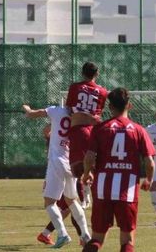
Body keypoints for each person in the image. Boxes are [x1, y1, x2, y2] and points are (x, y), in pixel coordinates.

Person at [81, 87, 156, 252]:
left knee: (97, 238)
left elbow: (89, 157)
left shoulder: (99, 129)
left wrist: (86, 174)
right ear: (129, 105)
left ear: (110, 107)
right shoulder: (138, 130)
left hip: (102, 189)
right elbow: (149, 161)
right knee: (127, 240)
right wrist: (149, 179)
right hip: (127, 191)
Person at [23, 104, 93, 248]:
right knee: (72, 201)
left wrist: (28, 110)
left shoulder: (57, 110)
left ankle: (62, 234)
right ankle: (85, 234)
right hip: (71, 162)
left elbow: (34, 114)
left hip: (56, 160)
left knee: (49, 202)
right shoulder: (81, 116)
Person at [65, 62, 109, 204]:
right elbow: (99, 113)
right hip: (95, 131)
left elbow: (69, 108)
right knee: (93, 166)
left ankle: (82, 199)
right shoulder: (103, 91)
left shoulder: (75, 87)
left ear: (82, 73)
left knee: (76, 169)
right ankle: (97, 196)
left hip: (78, 130)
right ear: (97, 74)